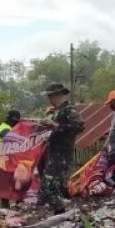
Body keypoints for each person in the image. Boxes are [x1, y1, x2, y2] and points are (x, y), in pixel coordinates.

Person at [39, 83, 85, 213]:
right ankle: (61, 212)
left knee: (46, 185)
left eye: (50, 96)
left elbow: (80, 126)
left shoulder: (69, 109)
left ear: (57, 95)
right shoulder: (57, 111)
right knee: (55, 186)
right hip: (54, 153)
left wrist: (56, 126)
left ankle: (61, 210)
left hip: (62, 155)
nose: (49, 99)